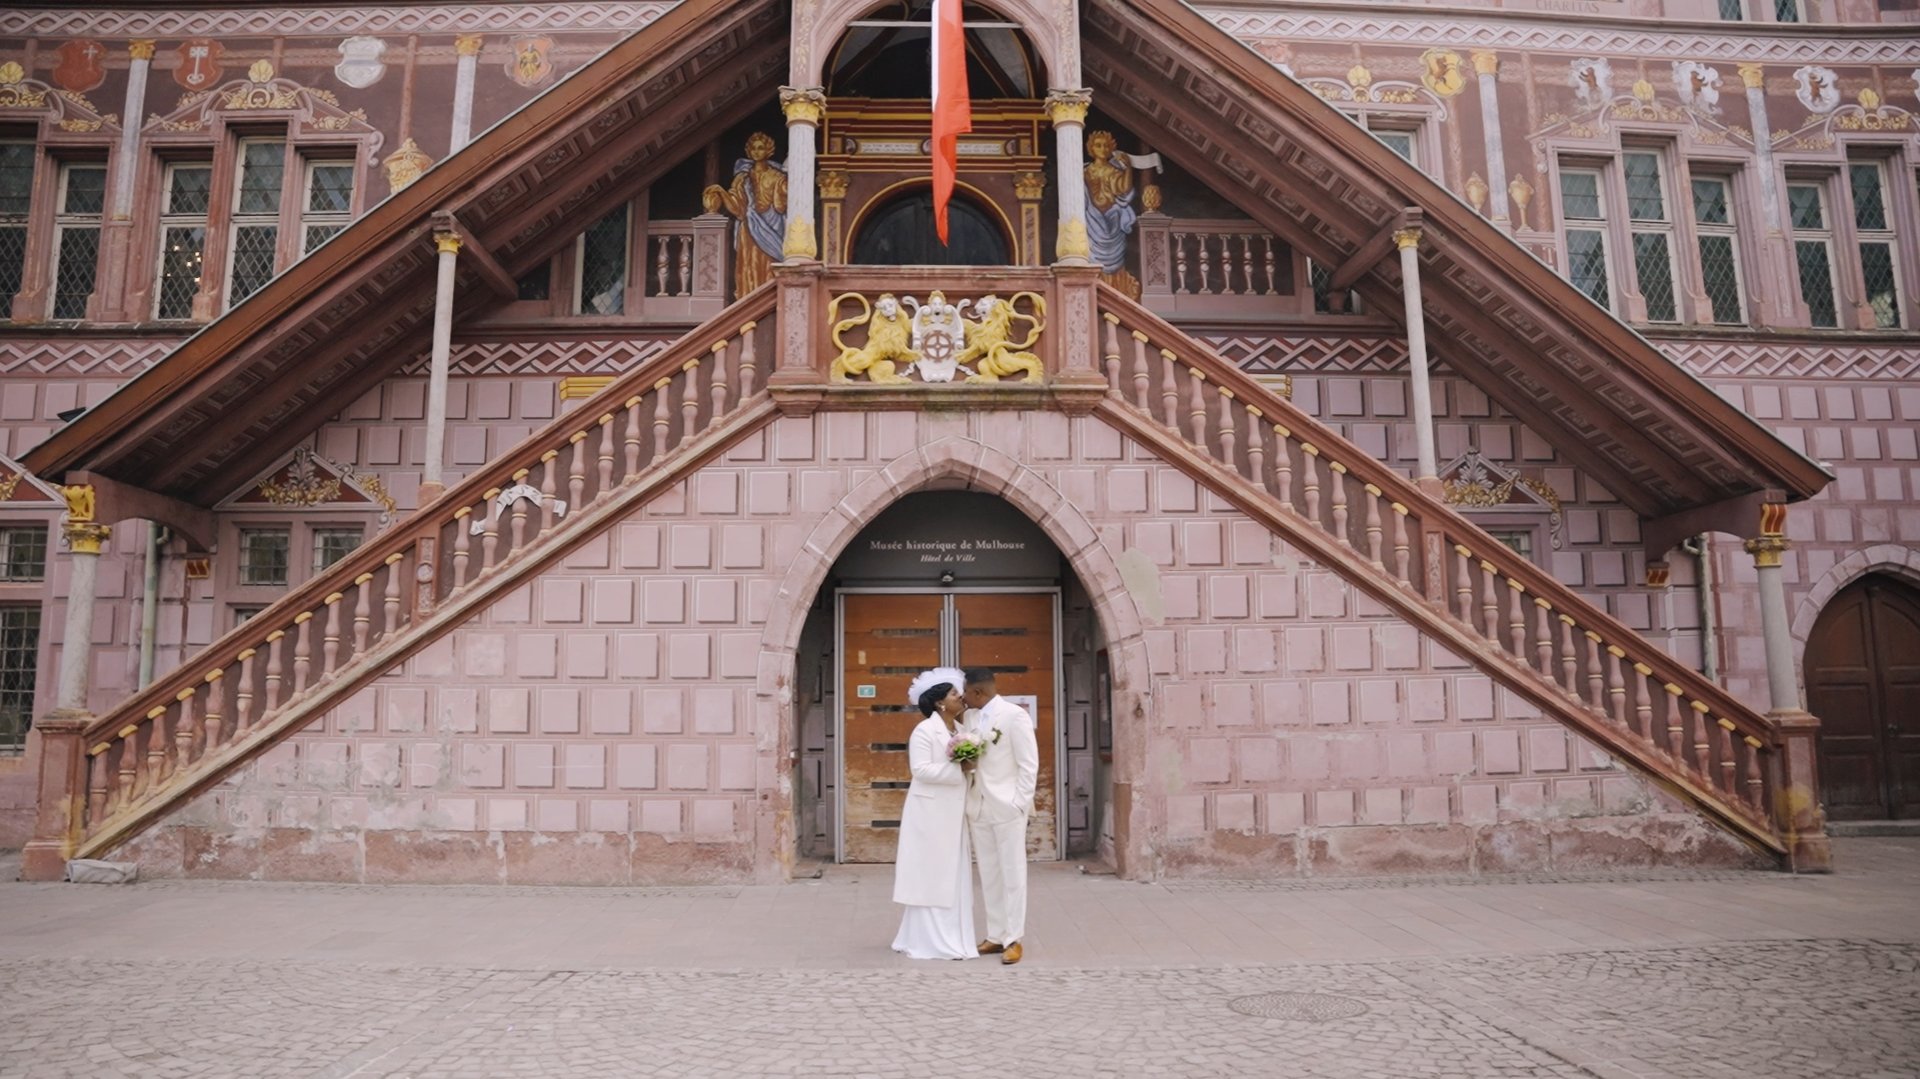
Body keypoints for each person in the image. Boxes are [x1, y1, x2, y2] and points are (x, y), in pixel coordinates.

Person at [890, 667, 977, 960]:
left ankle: (954, 935)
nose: (960, 697)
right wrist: (958, 768)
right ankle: (930, 939)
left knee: (953, 872)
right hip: (929, 813)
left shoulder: (962, 731)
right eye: (954, 694)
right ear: (940, 702)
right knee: (931, 874)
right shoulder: (925, 731)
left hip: (954, 812)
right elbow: (920, 770)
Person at [963, 667, 1038, 965]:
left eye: (965, 692)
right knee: (989, 872)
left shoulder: (1014, 716)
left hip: (1007, 806)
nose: (963, 697)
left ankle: (1014, 938)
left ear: (978, 691)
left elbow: (1029, 764)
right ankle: (995, 934)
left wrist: (1018, 803)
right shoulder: (969, 717)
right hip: (979, 805)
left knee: (1013, 872)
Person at [701, 131, 786, 297]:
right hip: (749, 229)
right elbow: (738, 210)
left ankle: (772, 297)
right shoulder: (742, 179)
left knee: (769, 266)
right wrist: (722, 192)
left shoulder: (778, 176)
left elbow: (780, 207)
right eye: (753, 148)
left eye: (761, 148)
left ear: (769, 150)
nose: (756, 152)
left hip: (773, 230)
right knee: (748, 266)